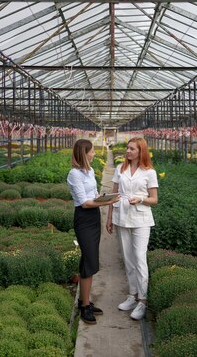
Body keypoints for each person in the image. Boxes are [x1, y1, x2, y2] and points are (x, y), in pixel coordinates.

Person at [67, 139, 120, 325]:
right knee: (90, 261)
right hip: (83, 218)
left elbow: (93, 196)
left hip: (94, 217)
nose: (94, 153)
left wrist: (103, 197)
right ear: (84, 153)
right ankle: (85, 306)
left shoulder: (89, 172)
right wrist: (108, 202)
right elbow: (85, 202)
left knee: (87, 260)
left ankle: (84, 301)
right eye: (91, 151)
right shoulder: (74, 174)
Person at [106, 137, 158, 320]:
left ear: (140, 151)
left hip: (141, 219)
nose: (127, 151)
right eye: (127, 148)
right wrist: (109, 217)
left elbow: (154, 199)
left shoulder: (149, 172)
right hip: (122, 218)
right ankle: (132, 295)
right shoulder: (121, 168)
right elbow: (113, 195)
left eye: (132, 149)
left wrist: (140, 199)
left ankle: (143, 301)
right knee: (128, 260)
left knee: (139, 259)